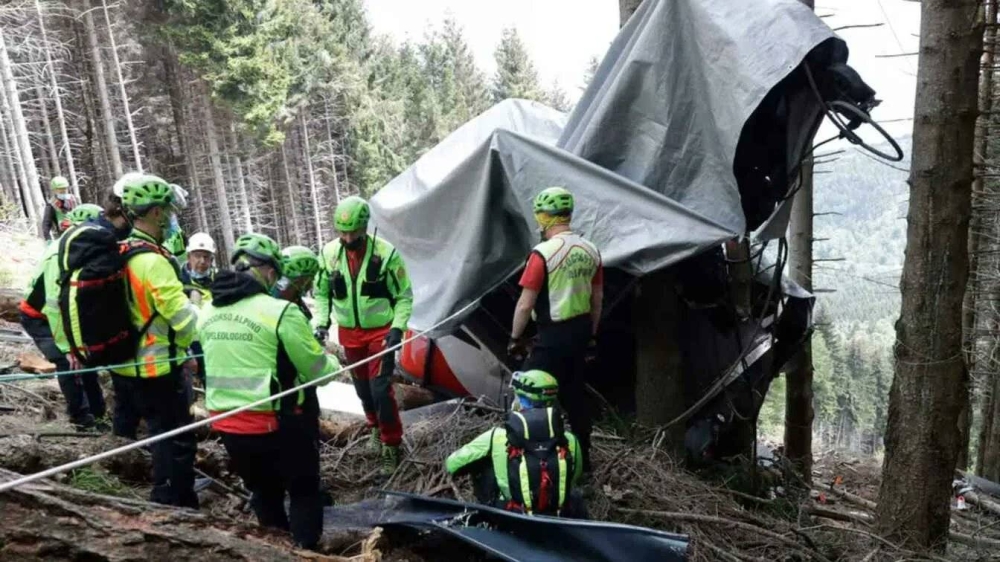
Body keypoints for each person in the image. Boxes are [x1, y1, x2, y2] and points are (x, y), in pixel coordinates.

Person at [200, 233, 340, 550]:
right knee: (303, 490)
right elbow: (317, 371)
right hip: (279, 423)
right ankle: (304, 552)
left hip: (228, 424)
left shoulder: (208, 311)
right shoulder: (280, 311)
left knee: (264, 493)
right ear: (268, 271)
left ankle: (276, 551)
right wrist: (331, 361)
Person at [111, 173, 200, 508]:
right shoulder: (153, 261)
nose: (172, 218)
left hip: (126, 364)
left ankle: (155, 490)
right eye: (169, 211)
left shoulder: (121, 251)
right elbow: (182, 318)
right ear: (156, 212)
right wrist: (197, 335)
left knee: (153, 434)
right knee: (176, 440)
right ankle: (174, 503)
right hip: (159, 367)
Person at [313, 196, 413, 475]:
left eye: (353, 232)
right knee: (362, 389)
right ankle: (374, 426)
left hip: (381, 332)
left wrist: (397, 328)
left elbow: (404, 296)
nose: (348, 238)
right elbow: (321, 293)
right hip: (349, 333)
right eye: (342, 232)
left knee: (380, 389)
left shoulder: (386, 254)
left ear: (364, 227)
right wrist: (321, 323)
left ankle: (391, 443)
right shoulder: (329, 254)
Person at [508, 187, 603, 473]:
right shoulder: (591, 250)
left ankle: (523, 457)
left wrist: (514, 338)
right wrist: (592, 335)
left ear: (544, 217)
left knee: (526, 389)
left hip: (552, 334)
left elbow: (525, 304)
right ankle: (584, 460)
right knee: (574, 394)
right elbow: (597, 299)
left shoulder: (542, 254)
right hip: (581, 331)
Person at [445, 369, 587, 518]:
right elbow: (574, 477)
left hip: (513, 516)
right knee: (575, 496)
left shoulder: (497, 437)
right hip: (558, 516)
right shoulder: (569, 440)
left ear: (521, 399)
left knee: (484, 464)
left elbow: (451, 464)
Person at [19, 203, 107, 431]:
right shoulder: (59, 254)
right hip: (39, 318)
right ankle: (80, 418)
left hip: (62, 315)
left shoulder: (80, 250)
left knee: (85, 358)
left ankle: (98, 413)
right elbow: (54, 306)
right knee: (66, 361)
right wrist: (68, 348)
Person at [180, 232, 217, 308]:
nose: (202, 261)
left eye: (206, 257)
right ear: (188, 257)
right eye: (197, 256)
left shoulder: (220, 279)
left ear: (211, 260)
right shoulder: (179, 280)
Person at [40, 176, 78, 241]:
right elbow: (46, 224)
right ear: (54, 190)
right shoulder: (51, 204)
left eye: (65, 188)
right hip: (63, 236)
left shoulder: (73, 199)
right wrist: (48, 240)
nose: (63, 190)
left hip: (77, 231)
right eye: (60, 189)